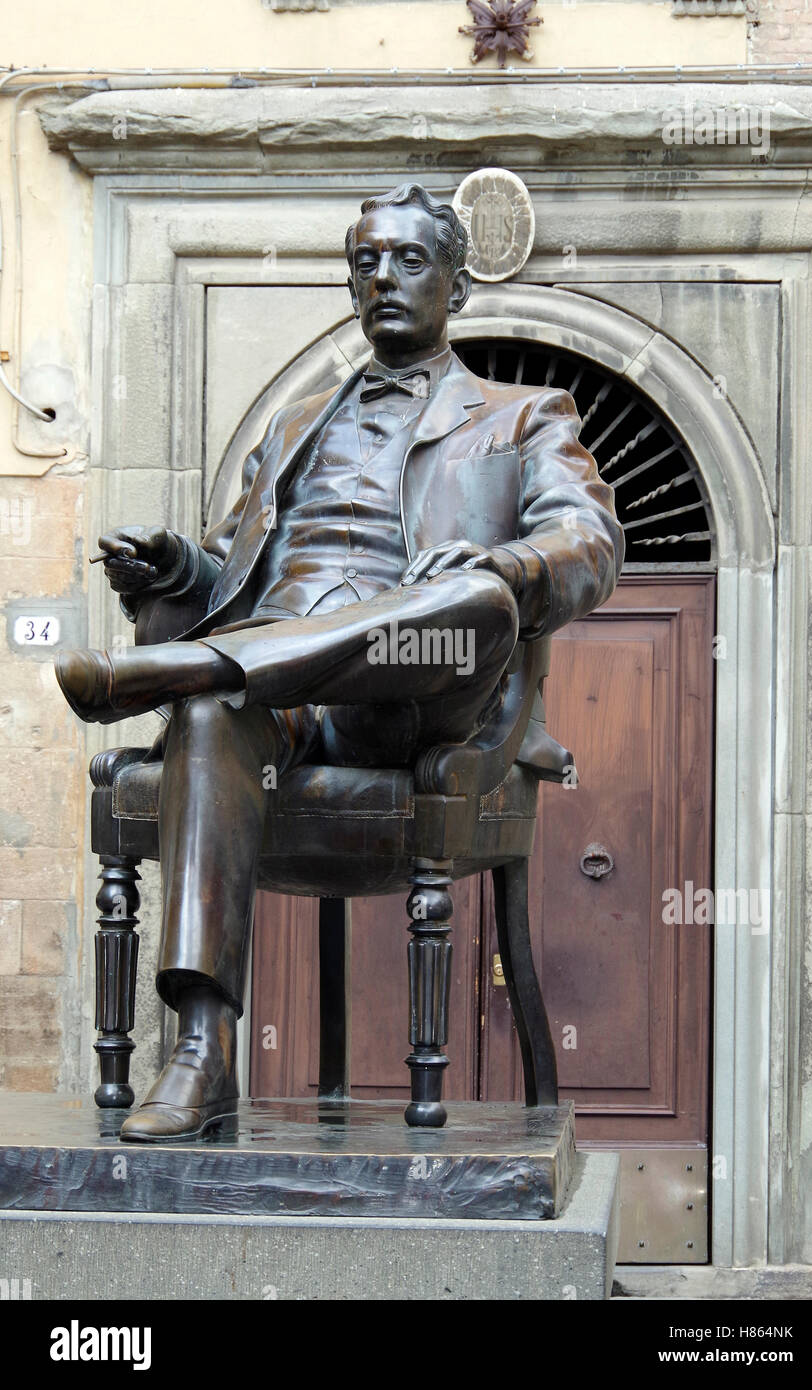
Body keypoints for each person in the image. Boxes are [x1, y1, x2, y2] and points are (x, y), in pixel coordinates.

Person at [55, 183, 625, 1141]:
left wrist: (499, 562)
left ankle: (192, 669)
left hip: (406, 693)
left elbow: (589, 547)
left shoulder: (524, 417)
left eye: (408, 260)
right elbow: (232, 573)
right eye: (365, 262)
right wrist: (173, 570)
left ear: (457, 283)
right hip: (279, 701)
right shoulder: (291, 426)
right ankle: (203, 1051)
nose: (383, 279)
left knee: (470, 599)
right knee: (210, 708)